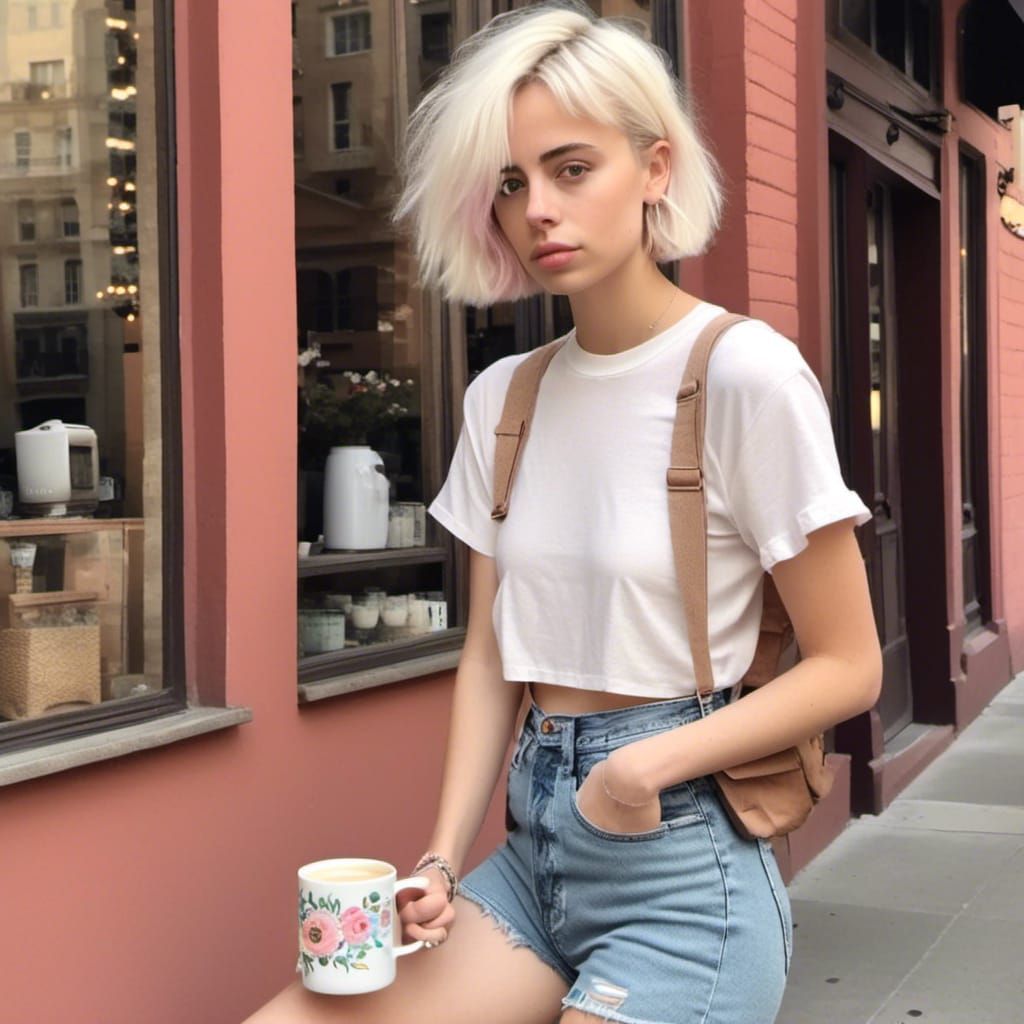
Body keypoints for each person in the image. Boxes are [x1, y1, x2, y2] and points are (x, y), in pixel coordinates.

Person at [246, 3, 882, 1022]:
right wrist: (443, 859)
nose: (536, 206)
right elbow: (493, 657)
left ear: (656, 169)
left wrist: (645, 765)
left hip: (681, 867)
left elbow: (849, 664)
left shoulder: (744, 375)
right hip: (531, 854)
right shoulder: (504, 396)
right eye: (509, 182)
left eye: (570, 168)